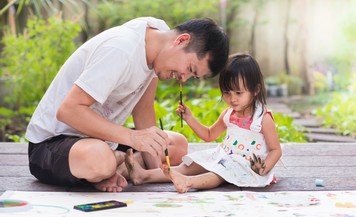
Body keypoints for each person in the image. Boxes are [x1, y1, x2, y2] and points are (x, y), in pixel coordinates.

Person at [25, 17, 229, 192]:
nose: (183, 79)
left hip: (100, 139)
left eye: (191, 76)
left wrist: (155, 169)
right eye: (190, 68)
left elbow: (143, 110)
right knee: (99, 159)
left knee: (176, 145)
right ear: (181, 40)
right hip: (52, 144)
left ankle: (120, 166)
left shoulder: (157, 42)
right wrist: (132, 138)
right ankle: (112, 166)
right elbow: (68, 111)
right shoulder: (121, 49)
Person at [125, 53, 282, 193]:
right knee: (188, 166)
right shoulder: (228, 114)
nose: (232, 99)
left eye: (238, 93)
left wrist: (263, 168)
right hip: (225, 157)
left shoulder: (263, 118)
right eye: (227, 92)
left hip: (248, 167)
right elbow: (209, 135)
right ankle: (144, 176)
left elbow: (276, 150)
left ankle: (188, 182)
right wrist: (190, 119)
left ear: (255, 90)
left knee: (218, 174)